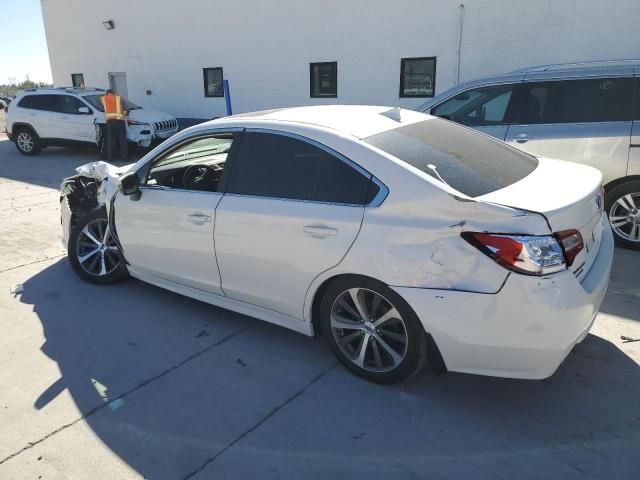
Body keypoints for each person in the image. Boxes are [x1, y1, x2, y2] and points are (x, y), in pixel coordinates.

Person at [99, 89, 128, 161]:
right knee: (122, 140)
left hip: (109, 122)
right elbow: (127, 110)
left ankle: (110, 158)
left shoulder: (103, 99)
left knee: (111, 140)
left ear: (107, 93)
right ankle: (125, 158)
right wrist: (124, 114)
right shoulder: (118, 98)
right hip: (119, 121)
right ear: (113, 93)